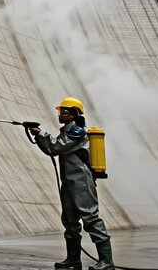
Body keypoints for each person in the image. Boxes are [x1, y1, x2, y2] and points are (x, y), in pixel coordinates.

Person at [28, 97, 114, 270]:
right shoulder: (67, 131)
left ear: (73, 114)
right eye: (60, 111)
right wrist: (37, 136)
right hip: (68, 181)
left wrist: (40, 133)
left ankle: (106, 262)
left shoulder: (77, 132)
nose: (60, 114)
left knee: (90, 218)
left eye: (64, 111)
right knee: (70, 221)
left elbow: (56, 147)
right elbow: (50, 149)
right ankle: (73, 260)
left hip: (81, 181)